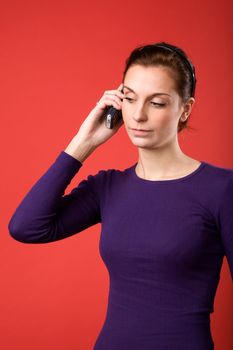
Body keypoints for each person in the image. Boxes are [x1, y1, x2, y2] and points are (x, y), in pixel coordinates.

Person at [8, 42, 233, 350]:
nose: (138, 115)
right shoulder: (108, 187)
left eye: (157, 103)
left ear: (186, 109)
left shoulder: (222, 189)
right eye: (129, 98)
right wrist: (83, 142)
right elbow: (26, 227)